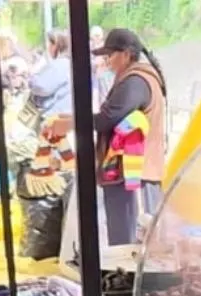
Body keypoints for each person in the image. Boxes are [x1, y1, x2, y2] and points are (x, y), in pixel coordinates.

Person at [54, 28, 167, 246]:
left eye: (110, 55)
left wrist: (71, 123)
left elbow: (108, 118)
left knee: (128, 244)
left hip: (133, 175)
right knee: (134, 241)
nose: (108, 61)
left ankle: (127, 280)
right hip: (137, 172)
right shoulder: (139, 78)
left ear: (125, 54)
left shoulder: (135, 81)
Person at [29, 30, 74, 117]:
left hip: (55, 115)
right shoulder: (67, 63)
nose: (48, 48)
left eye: (50, 44)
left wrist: (31, 81)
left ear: (56, 46)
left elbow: (42, 87)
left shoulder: (60, 64)